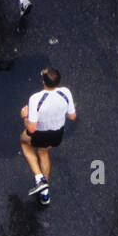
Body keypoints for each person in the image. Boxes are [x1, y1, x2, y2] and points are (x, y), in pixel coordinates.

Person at [20, 67, 77, 205]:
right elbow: (72, 116)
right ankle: (44, 194)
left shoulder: (35, 99)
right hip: (57, 133)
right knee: (43, 152)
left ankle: (40, 178)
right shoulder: (65, 92)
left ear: (43, 82)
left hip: (41, 133)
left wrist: (24, 117)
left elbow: (32, 129)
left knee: (24, 142)